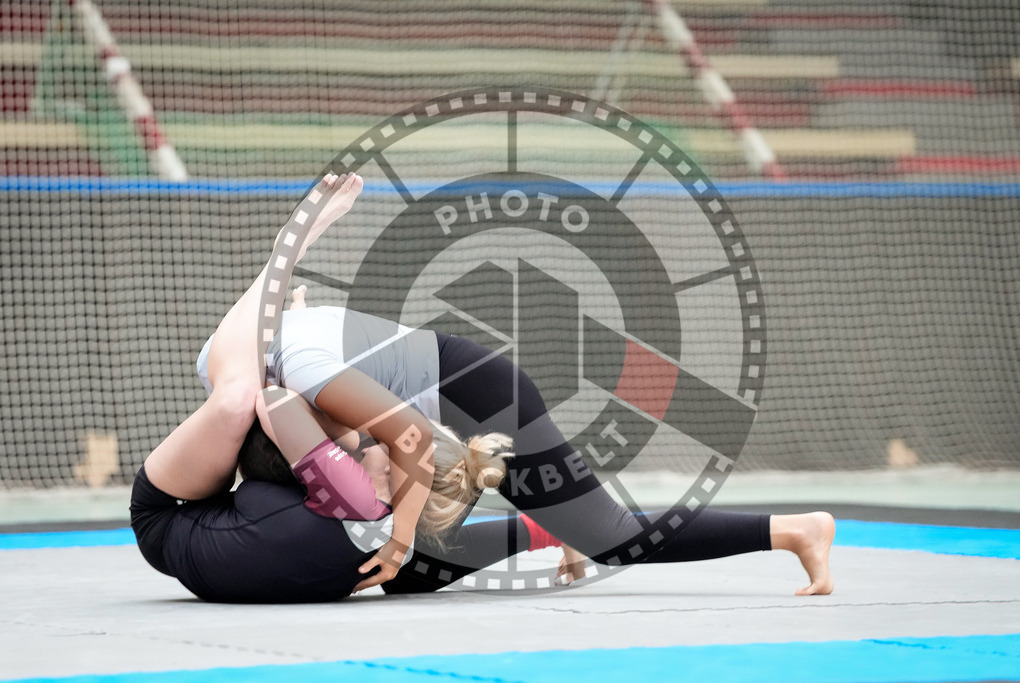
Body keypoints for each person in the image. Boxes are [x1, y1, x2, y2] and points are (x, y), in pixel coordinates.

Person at [196, 173, 837, 597]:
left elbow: (413, 440)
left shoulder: (305, 375)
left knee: (606, 534)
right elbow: (274, 283)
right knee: (414, 553)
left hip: (483, 390)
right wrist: (310, 231)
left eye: (339, 443)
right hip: (442, 386)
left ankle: (795, 530)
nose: (345, 447)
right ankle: (544, 528)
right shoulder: (241, 367)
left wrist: (395, 540)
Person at [129, 172, 518, 603]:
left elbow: (272, 400)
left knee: (240, 399)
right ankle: (290, 321)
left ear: (393, 473)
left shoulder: (354, 494)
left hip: (168, 514)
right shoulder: (383, 547)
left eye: (386, 448)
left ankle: (286, 251)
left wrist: (342, 420)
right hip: (210, 538)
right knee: (293, 392)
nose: (376, 442)